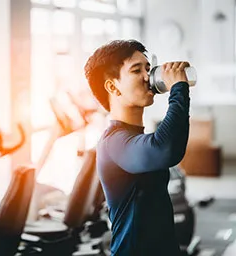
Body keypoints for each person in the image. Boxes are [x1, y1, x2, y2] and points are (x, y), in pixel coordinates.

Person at [84, 39, 191, 256]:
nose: (147, 78)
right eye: (136, 70)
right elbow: (166, 149)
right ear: (113, 87)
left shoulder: (132, 136)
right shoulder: (113, 142)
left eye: (148, 69)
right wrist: (179, 89)